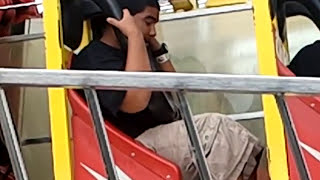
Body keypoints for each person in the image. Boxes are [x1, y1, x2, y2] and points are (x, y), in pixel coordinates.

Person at [71, 0, 264, 179]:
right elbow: (135, 102)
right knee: (216, 131)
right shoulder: (95, 59)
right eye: (148, 22)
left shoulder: (134, 51)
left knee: (248, 154)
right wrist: (135, 36)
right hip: (131, 148)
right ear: (121, 17)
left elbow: (174, 90)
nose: (153, 31)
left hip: (156, 139)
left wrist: (157, 51)